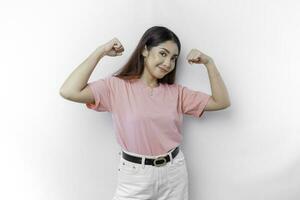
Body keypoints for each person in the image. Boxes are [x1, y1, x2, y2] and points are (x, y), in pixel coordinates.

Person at [59, 26, 231, 200]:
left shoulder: (177, 93)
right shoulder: (115, 86)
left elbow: (221, 102)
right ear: (144, 50)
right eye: (163, 54)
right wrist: (100, 51)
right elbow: (69, 91)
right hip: (134, 176)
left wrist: (209, 63)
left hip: (174, 173)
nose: (168, 63)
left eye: (173, 58)